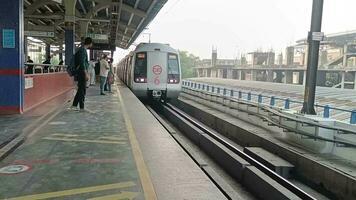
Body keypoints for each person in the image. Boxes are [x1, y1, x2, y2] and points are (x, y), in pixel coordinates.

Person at [71, 37, 93, 111]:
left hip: (80, 72)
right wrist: (86, 73)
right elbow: (82, 63)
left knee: (81, 89)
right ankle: (82, 107)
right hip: (81, 72)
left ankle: (74, 105)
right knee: (82, 90)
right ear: (90, 43)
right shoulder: (83, 50)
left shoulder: (82, 49)